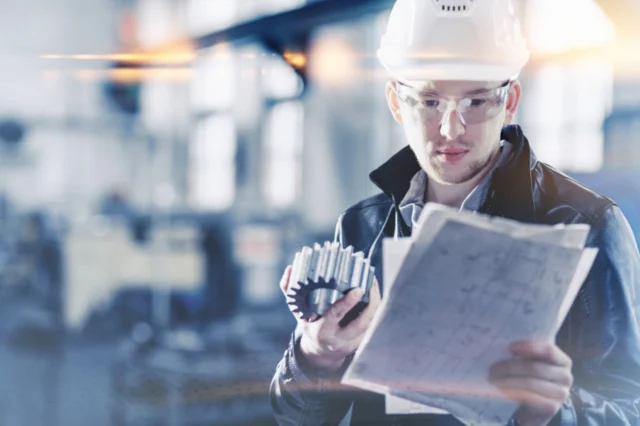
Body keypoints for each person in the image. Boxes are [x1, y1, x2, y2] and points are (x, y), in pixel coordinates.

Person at [270, 0, 640, 425]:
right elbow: (299, 419)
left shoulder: (587, 225)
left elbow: (631, 408)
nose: (450, 129)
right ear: (396, 101)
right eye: (429, 102)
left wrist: (557, 413)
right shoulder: (362, 227)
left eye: (476, 102)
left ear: (510, 99)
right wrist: (315, 358)